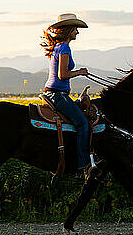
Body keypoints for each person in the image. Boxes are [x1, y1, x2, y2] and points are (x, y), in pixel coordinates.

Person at [40, 13, 93, 175]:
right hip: (58, 94)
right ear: (69, 30)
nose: (77, 32)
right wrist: (80, 72)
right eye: (75, 29)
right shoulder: (64, 47)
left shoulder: (58, 46)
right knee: (83, 123)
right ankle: (83, 165)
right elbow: (63, 74)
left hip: (55, 93)